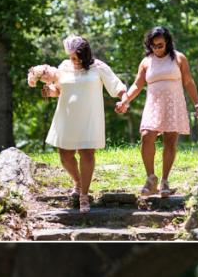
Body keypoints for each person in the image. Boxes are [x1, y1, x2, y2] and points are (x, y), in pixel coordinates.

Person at [28, 36, 128, 213]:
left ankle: (84, 195)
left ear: (85, 55)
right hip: (66, 116)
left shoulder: (98, 67)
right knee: (65, 155)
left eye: (75, 58)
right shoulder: (64, 66)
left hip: (89, 116)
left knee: (87, 153)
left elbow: (117, 87)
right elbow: (58, 89)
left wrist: (124, 100)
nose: (72, 61)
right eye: (70, 57)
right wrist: (49, 92)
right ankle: (78, 181)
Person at [115, 26, 198, 197]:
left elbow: (188, 82)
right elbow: (137, 84)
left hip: (174, 103)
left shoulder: (179, 58)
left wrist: (197, 105)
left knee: (170, 141)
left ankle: (165, 180)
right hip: (154, 103)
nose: (157, 49)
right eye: (153, 46)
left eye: (160, 45)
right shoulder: (146, 62)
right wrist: (125, 100)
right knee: (146, 135)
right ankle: (151, 178)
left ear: (167, 43)